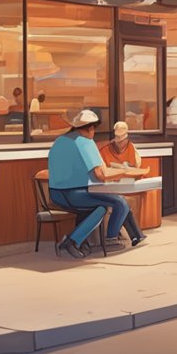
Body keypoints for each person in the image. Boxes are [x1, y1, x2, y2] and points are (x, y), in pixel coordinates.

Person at [47, 110, 135, 257]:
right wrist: (123, 172)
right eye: (94, 129)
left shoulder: (60, 141)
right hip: (76, 194)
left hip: (56, 195)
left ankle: (75, 241)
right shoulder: (85, 142)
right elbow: (100, 174)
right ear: (90, 128)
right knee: (119, 202)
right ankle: (108, 240)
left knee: (99, 208)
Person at [96, 122, 148, 243]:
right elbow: (102, 172)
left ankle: (136, 235)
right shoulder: (104, 150)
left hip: (124, 183)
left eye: (123, 141)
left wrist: (128, 167)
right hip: (107, 186)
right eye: (119, 141)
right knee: (121, 203)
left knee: (123, 203)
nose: (121, 144)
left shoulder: (131, 148)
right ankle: (129, 235)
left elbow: (137, 165)